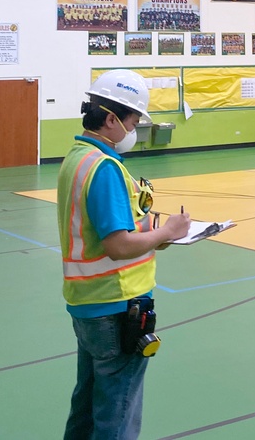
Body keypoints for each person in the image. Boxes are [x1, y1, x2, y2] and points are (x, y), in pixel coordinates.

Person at [57, 69, 191, 440]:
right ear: (112, 119)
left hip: (87, 304)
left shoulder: (77, 158)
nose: (135, 130)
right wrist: (168, 231)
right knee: (116, 411)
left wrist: (150, 235)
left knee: (86, 406)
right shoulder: (104, 168)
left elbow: (107, 232)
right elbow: (117, 246)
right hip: (116, 305)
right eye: (133, 120)